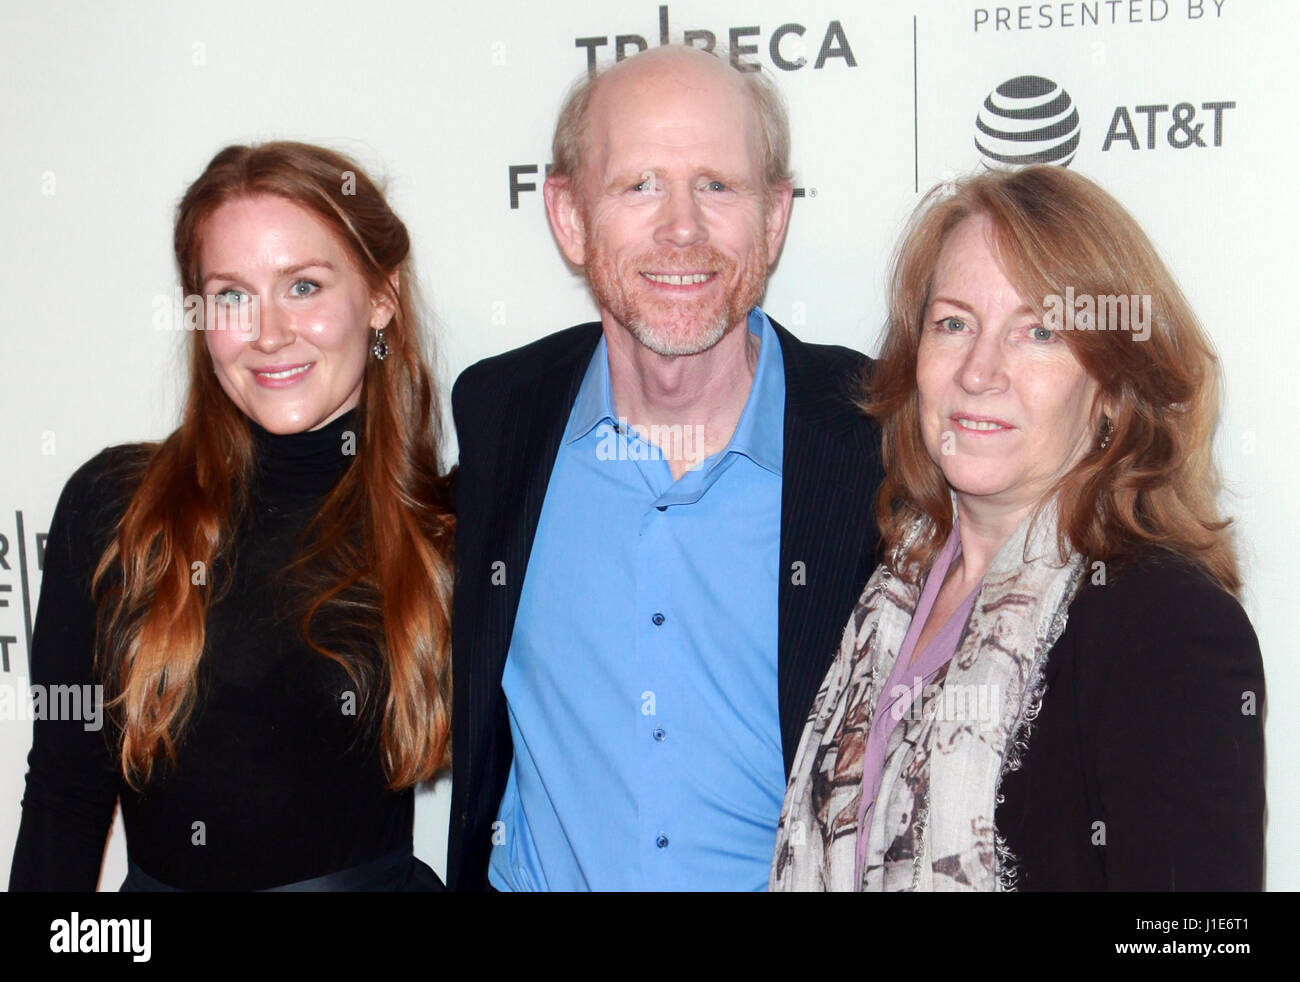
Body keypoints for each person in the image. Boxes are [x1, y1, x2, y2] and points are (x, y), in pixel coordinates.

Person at [447, 45, 884, 891]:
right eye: (639, 184)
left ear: (775, 217)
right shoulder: (502, 414)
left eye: (718, 186)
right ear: (570, 218)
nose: (681, 227)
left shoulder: (876, 433)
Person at [769, 165, 1266, 891]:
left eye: (1037, 331)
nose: (979, 371)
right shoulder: (884, 587)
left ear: (1111, 388)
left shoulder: (1163, 623)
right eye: (953, 324)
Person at [9, 141, 454, 891]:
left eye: (304, 286)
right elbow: (64, 796)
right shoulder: (115, 507)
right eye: (231, 296)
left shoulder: (445, 527)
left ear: (380, 296)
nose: (268, 332)